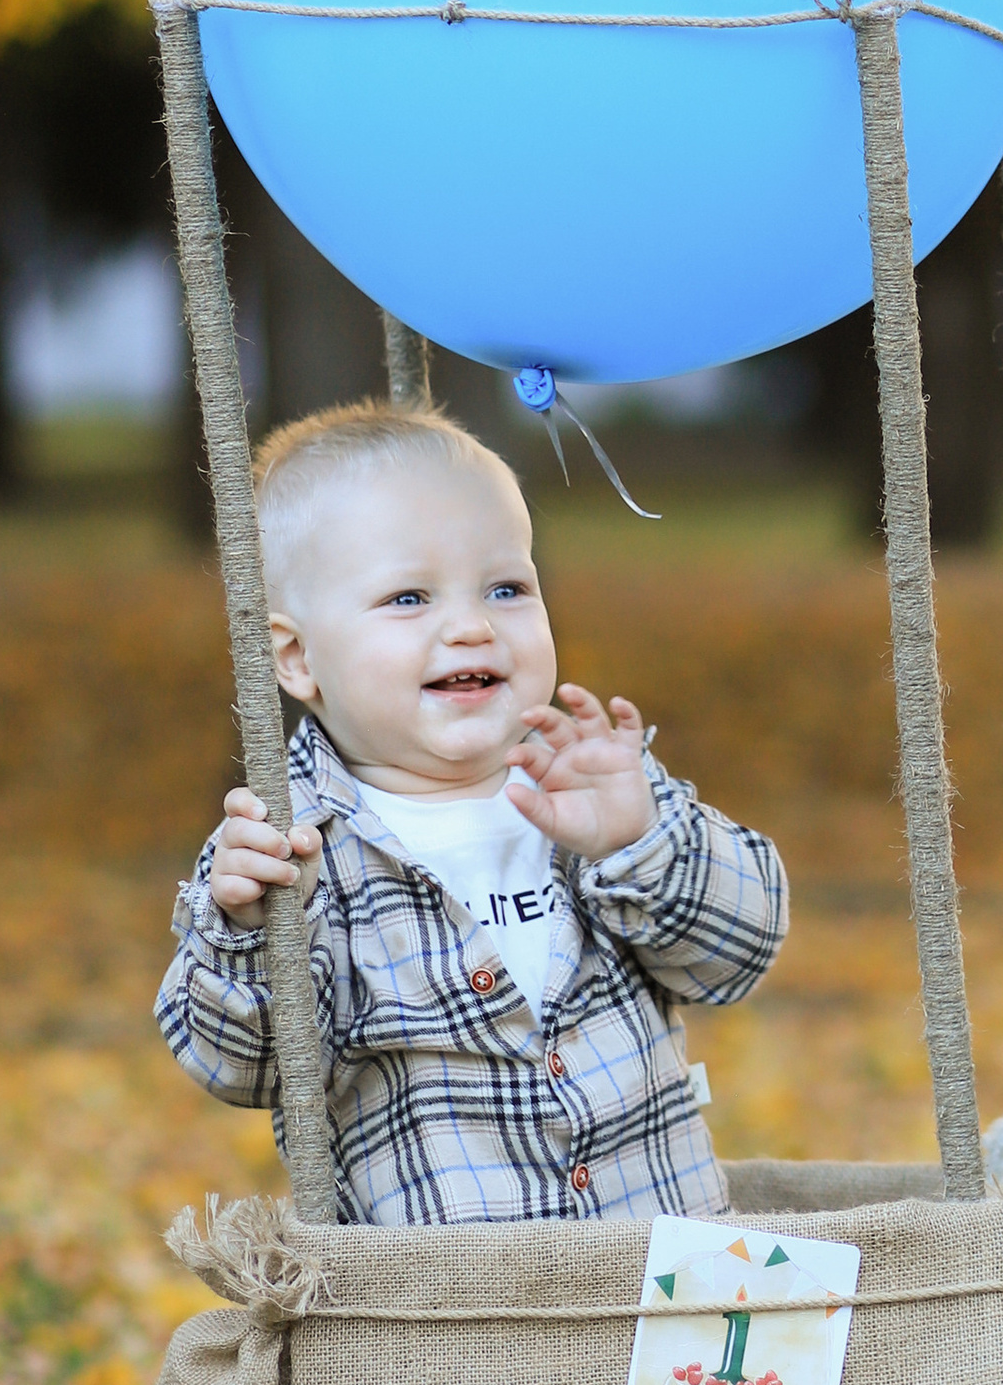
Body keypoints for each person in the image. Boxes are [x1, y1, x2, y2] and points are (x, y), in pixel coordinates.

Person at [157, 401, 788, 1225]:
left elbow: (738, 956)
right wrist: (249, 935)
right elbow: (250, 1068)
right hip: (456, 1321)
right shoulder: (286, 850)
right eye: (409, 597)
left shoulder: (591, 789)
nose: (470, 626)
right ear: (298, 658)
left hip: (658, 1295)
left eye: (507, 587)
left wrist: (642, 838)